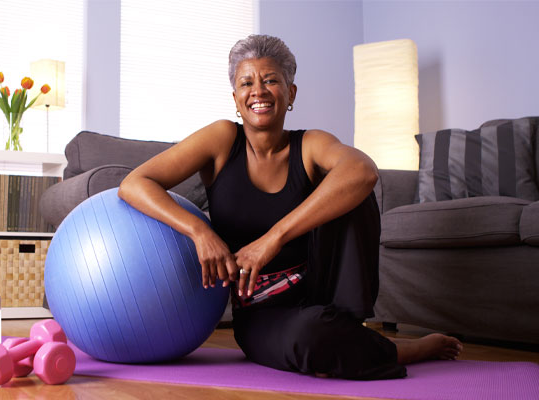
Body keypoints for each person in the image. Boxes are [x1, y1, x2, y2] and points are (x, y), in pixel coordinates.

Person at [119, 34, 462, 380]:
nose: (259, 91)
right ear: (236, 99)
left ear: (291, 93)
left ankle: (352, 326)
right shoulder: (222, 139)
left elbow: (363, 171)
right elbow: (135, 183)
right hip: (262, 311)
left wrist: (274, 237)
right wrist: (200, 231)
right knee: (312, 340)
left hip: (324, 290)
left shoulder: (310, 144)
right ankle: (400, 348)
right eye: (247, 83)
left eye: (271, 80)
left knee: (351, 185)